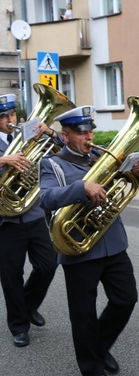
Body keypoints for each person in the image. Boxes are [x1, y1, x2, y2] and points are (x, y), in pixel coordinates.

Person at [40, 106, 139, 376]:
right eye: (81, 133)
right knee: (83, 314)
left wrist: (138, 172)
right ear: (65, 136)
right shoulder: (52, 163)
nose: (88, 137)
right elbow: (45, 198)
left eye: (90, 131)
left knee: (126, 300)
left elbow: (126, 182)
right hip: (78, 247)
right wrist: (81, 187)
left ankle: (99, 347)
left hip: (112, 243)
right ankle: (90, 366)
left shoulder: (102, 156)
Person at [0, 94, 60, 347]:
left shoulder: (26, 135)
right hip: (5, 222)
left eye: (11, 115)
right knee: (11, 275)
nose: (9, 120)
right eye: (3, 117)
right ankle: (19, 326)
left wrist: (51, 133)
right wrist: (4, 160)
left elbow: (61, 152)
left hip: (34, 213)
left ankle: (28, 305)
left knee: (49, 264)